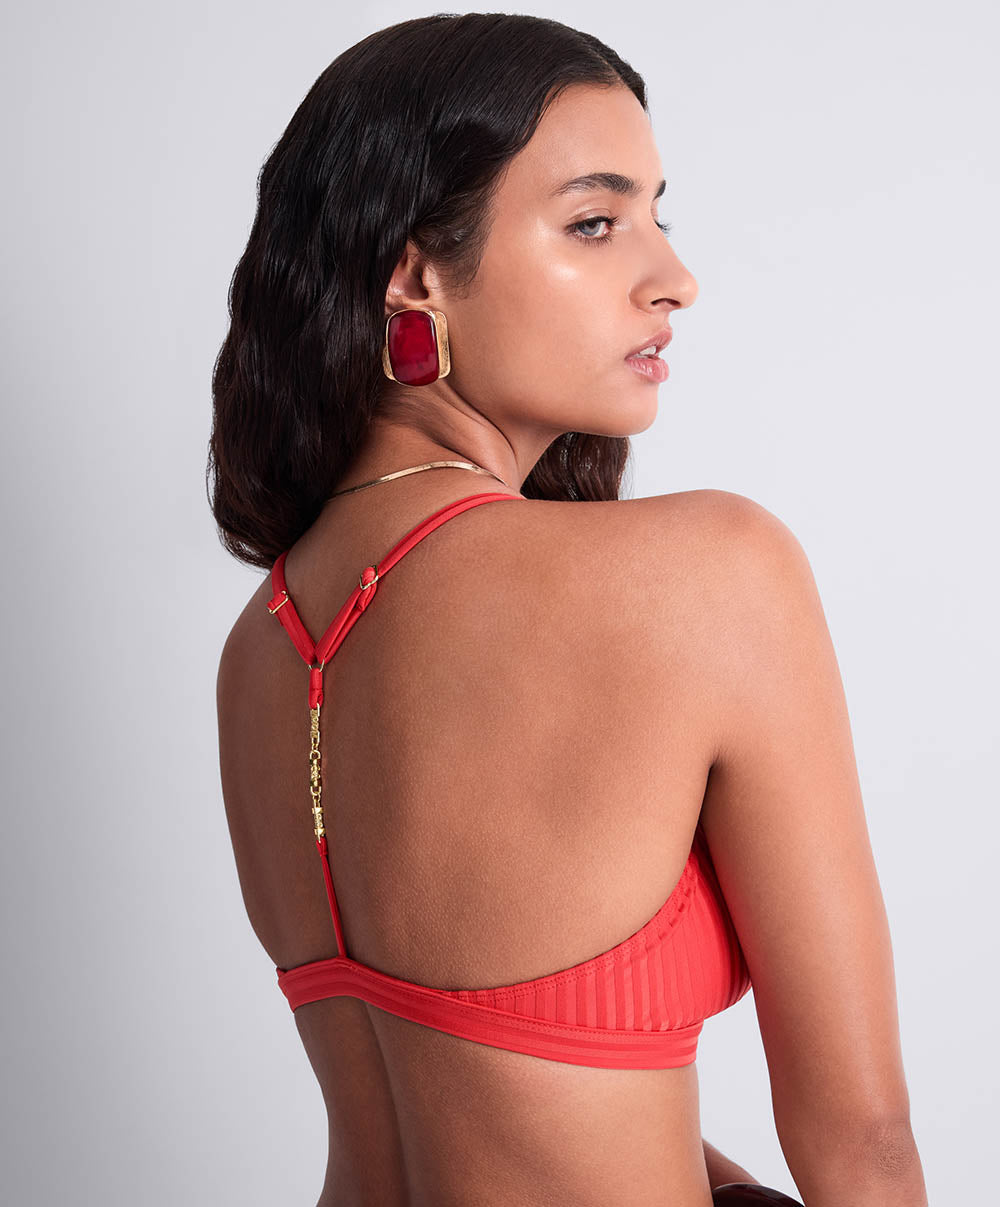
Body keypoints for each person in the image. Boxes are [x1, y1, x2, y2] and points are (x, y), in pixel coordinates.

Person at [209, 14, 927, 1207]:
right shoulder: (709, 573)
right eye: (594, 223)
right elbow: (864, 1143)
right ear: (413, 275)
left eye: (657, 215)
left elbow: (476, 1092)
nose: (673, 278)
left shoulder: (267, 641)